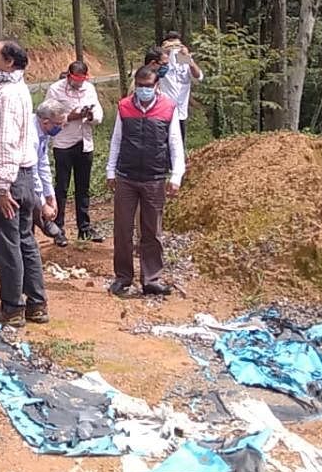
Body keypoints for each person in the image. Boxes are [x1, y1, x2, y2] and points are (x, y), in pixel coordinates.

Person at [0, 40, 46, 327]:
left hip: (7, 179)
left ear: (9, 62)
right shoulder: (19, 91)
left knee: (7, 245)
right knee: (25, 241)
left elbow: (6, 142)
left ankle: (12, 307)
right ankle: (37, 304)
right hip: (25, 177)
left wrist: (2, 187)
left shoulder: (7, 96)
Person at [106, 65, 186, 298]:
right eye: (140, 86)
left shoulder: (168, 108)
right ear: (135, 86)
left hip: (154, 177)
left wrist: (176, 175)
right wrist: (111, 171)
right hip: (126, 177)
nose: (143, 90)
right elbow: (116, 141)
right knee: (122, 229)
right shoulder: (124, 107)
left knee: (152, 231)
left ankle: (151, 279)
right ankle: (123, 277)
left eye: (148, 86)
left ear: (156, 86)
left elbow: (175, 144)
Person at [44, 61, 104, 246]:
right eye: (75, 79)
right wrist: (71, 116)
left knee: (83, 188)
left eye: (82, 79)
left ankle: (84, 228)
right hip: (63, 143)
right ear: (69, 75)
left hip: (84, 143)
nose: (78, 83)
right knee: (61, 187)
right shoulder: (55, 90)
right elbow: (47, 113)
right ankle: (58, 228)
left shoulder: (89, 89)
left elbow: (98, 112)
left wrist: (91, 116)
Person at [155, 33, 204, 141]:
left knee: (179, 144)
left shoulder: (183, 59)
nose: (174, 49)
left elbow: (198, 76)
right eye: (171, 44)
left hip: (180, 112)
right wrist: (163, 54)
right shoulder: (162, 62)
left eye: (176, 45)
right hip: (163, 112)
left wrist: (188, 59)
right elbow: (152, 75)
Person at [31, 99, 68, 241]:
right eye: (59, 124)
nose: (62, 128)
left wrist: (50, 196)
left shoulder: (44, 133)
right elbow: (32, 171)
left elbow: (43, 164)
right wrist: (42, 203)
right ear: (46, 122)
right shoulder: (31, 135)